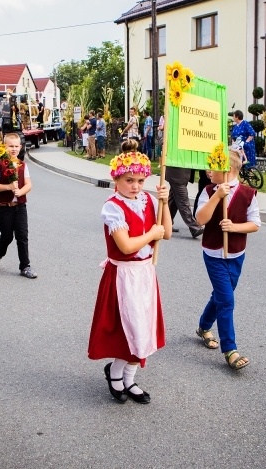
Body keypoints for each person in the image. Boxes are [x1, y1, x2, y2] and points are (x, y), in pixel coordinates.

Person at [87, 139, 172, 404]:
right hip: (123, 276)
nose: (135, 186)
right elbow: (124, 246)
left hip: (145, 273)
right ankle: (114, 373)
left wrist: (164, 203)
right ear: (117, 179)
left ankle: (130, 378)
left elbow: (166, 233)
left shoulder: (147, 199)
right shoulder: (112, 207)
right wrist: (151, 234)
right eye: (129, 180)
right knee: (129, 328)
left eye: (139, 181)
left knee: (144, 327)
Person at [194, 146, 261, 370]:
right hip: (213, 253)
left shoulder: (248, 194)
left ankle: (203, 327)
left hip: (236, 254)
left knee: (221, 296)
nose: (207, 171)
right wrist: (217, 196)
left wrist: (234, 227)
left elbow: (255, 224)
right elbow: (200, 219)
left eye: (212, 167)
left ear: (228, 169)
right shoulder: (208, 190)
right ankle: (230, 349)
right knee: (226, 300)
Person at [0, 132, 36, 279]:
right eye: (10, 146)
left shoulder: (23, 165)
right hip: (3, 207)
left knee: (22, 236)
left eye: (16, 146)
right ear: (4, 146)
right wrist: (9, 187)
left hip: (20, 206)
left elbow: (29, 184)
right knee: (7, 235)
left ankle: (25, 266)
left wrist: (21, 191)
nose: (13, 149)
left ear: (20, 147)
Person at [166, 166, 204, 238]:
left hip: (180, 172)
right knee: (183, 200)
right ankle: (194, 227)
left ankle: (166, 223)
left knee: (174, 199)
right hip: (177, 172)